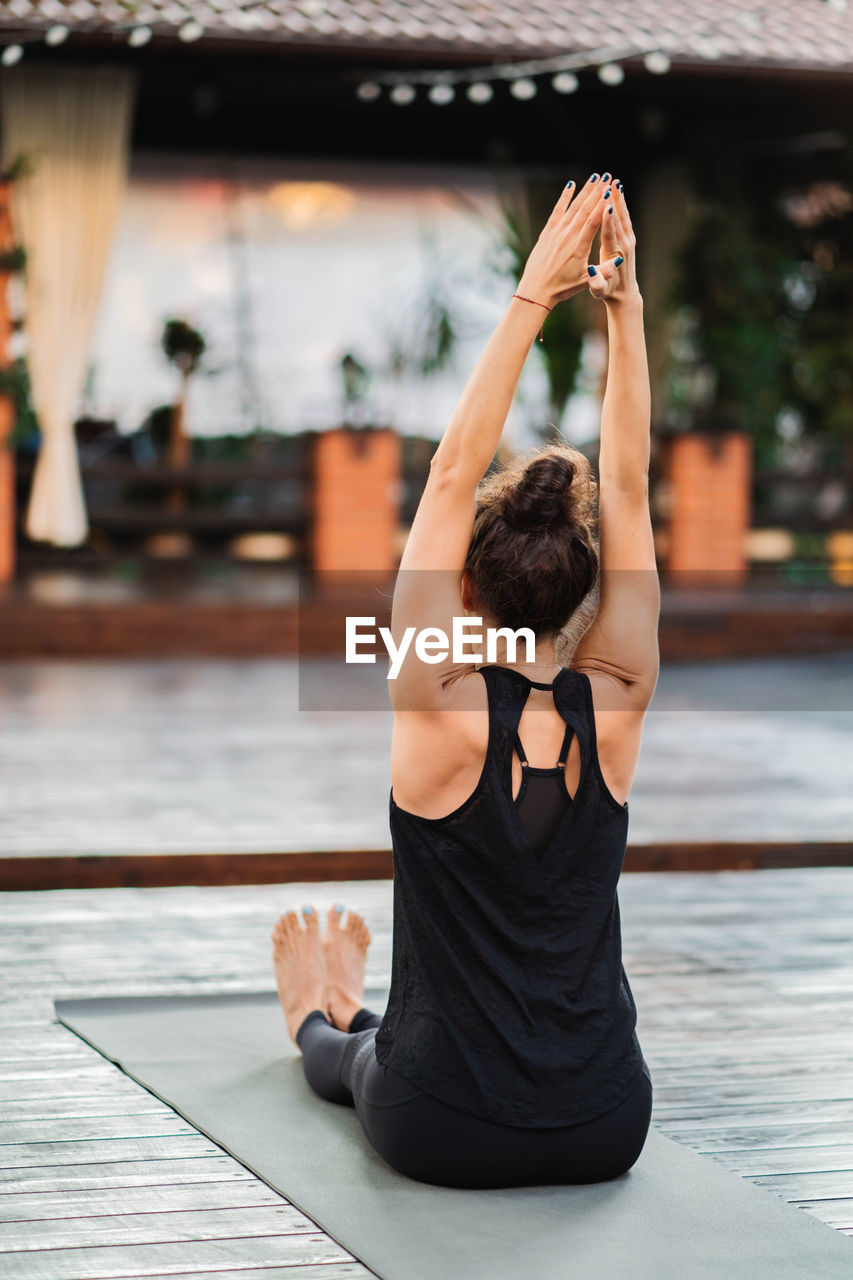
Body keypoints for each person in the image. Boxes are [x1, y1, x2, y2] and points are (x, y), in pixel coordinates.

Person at [272, 170, 660, 1189]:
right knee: (382, 1044)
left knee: (355, 1059)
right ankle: (347, 1010)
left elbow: (449, 479)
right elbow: (627, 483)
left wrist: (532, 296)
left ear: (466, 588)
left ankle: (319, 1013)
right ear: (586, 584)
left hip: (441, 1122)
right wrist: (624, 310)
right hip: (607, 1118)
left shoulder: (434, 699)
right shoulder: (615, 692)